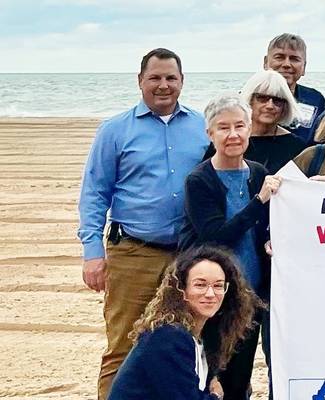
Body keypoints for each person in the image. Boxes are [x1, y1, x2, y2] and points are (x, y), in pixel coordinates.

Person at [78, 48, 210, 400]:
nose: (163, 85)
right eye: (155, 78)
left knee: (189, 346)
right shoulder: (115, 130)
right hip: (133, 253)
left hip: (189, 256)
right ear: (140, 81)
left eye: (171, 78)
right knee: (124, 345)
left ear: (182, 82)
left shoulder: (203, 128)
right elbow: (94, 194)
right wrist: (93, 253)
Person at [179, 93, 283, 400]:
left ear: (250, 129)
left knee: (240, 380)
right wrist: (258, 201)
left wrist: (270, 240)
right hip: (211, 297)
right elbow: (215, 237)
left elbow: (266, 226)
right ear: (209, 134)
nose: (233, 134)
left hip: (250, 295)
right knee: (210, 379)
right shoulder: (199, 180)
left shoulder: (258, 173)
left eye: (240, 126)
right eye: (223, 127)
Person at [109, 246, 260, 400]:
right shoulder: (168, 337)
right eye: (200, 285)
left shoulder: (200, 337)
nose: (210, 294)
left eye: (218, 286)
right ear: (181, 289)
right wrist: (215, 395)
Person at [203, 70, 307, 174]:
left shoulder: (296, 146)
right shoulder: (229, 140)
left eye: (277, 100)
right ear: (250, 100)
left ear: (285, 106)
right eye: (262, 98)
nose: (270, 106)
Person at [263, 33, 325, 144]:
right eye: (279, 57)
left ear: (304, 67)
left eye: (294, 59)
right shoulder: (248, 97)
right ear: (265, 63)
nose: (286, 64)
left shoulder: (315, 99)